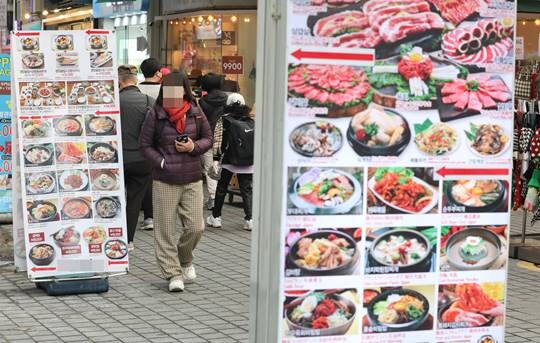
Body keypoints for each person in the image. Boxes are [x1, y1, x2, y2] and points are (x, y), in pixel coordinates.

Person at [139, 71, 212, 292]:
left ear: (184, 91)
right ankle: (173, 274)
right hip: (164, 179)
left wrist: (193, 147)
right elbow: (145, 145)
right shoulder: (156, 113)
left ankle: (185, 258)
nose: (172, 95)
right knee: (165, 230)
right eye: (168, 90)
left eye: (176, 90)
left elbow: (208, 139)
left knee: (196, 227)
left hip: (192, 179)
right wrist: (160, 162)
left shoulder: (196, 112)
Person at [118, 65, 154, 252]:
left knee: (113, 198)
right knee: (134, 200)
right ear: (135, 81)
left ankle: (111, 236)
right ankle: (128, 240)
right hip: (142, 160)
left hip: (115, 158)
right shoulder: (149, 101)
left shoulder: (113, 101)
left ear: (120, 81)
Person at [206, 93, 254, 231]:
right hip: (248, 160)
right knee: (247, 190)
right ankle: (249, 219)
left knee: (221, 188)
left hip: (229, 159)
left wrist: (215, 159)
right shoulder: (250, 120)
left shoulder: (224, 119)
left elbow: (218, 140)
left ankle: (216, 217)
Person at [137, 58, 164, 231]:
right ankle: (154, 215)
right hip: (161, 140)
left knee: (144, 179)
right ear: (157, 73)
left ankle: (147, 216)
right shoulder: (166, 90)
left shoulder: (136, 89)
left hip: (139, 140)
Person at [198, 73, 228, 210]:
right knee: (222, 166)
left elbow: (200, 121)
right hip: (225, 136)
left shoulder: (203, 102)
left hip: (209, 137)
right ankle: (219, 196)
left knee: (210, 167)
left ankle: (213, 197)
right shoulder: (227, 99)